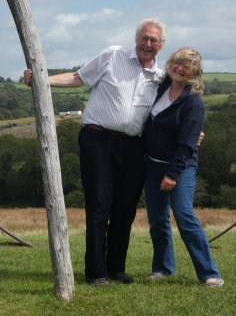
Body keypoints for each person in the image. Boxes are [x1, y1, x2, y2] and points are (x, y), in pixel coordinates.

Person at [24, 17, 166, 286]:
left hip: (134, 146)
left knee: (125, 208)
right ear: (136, 39)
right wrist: (41, 78)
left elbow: (175, 107)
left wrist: (194, 132)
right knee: (100, 203)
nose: (147, 44)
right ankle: (96, 272)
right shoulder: (113, 56)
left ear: (161, 45)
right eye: (144, 38)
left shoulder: (160, 78)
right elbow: (78, 78)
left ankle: (116, 268)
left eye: (153, 40)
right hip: (98, 138)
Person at [143, 47, 224, 288]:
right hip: (152, 165)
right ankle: (162, 267)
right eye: (176, 62)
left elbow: (187, 144)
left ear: (194, 72)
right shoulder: (162, 85)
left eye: (185, 66)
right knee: (157, 220)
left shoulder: (193, 102)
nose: (179, 68)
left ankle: (209, 273)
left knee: (184, 216)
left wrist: (172, 174)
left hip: (180, 167)